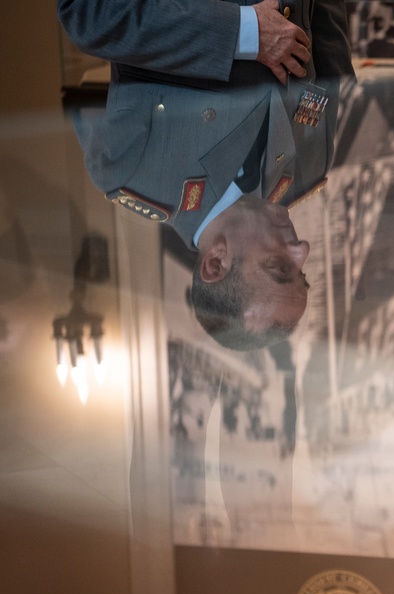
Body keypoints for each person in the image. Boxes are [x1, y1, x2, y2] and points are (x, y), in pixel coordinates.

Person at [59, 0, 354, 350]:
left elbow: (90, 14)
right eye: (301, 272)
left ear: (216, 261)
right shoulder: (309, 168)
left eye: (280, 268)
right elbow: (328, 45)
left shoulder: (131, 171)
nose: (302, 249)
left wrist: (244, 32)